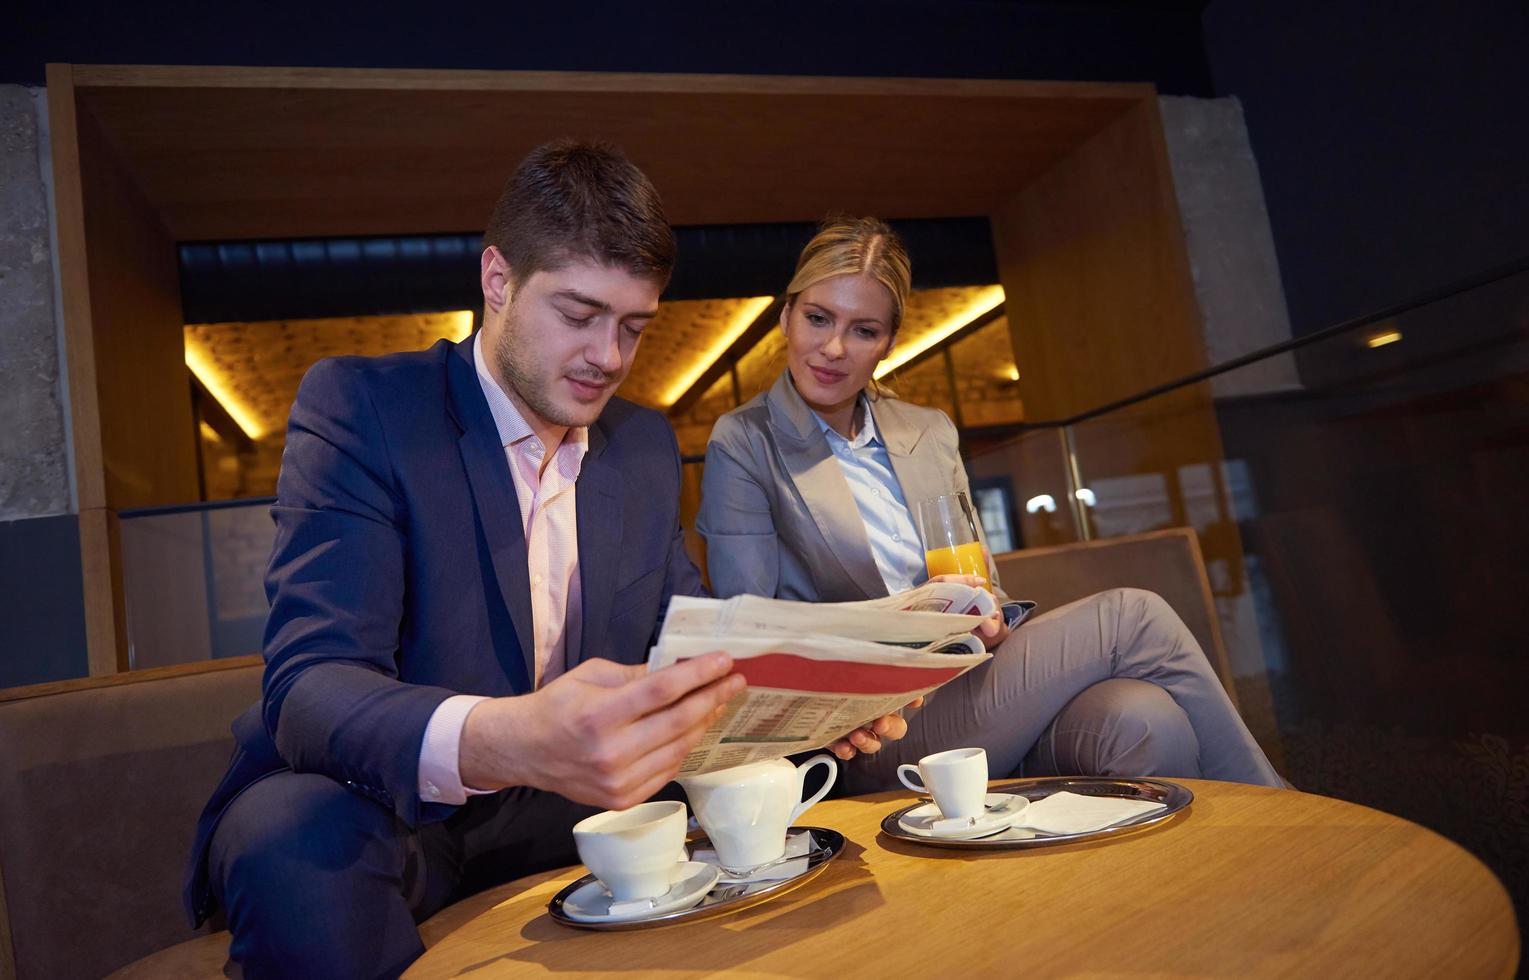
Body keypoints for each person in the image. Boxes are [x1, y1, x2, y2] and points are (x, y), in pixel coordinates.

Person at [183, 140, 747, 979]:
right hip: (394, 813)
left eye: (633, 326)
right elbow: (310, 685)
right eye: (579, 314)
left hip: (574, 808)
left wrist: (822, 689)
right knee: (289, 839)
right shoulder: (365, 408)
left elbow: (685, 636)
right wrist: (510, 739)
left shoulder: (642, 446)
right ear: (497, 281)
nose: (609, 357)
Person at [696, 216, 1283, 793]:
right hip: (875, 727)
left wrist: (990, 613)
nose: (832, 348)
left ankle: (1196, 882)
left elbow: (986, 584)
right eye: (818, 318)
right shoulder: (746, 442)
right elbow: (753, 635)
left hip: (973, 679)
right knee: (1133, 614)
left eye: (863, 330)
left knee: (1144, 716)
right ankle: (1280, 817)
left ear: (889, 342)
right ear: (785, 316)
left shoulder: (929, 431)